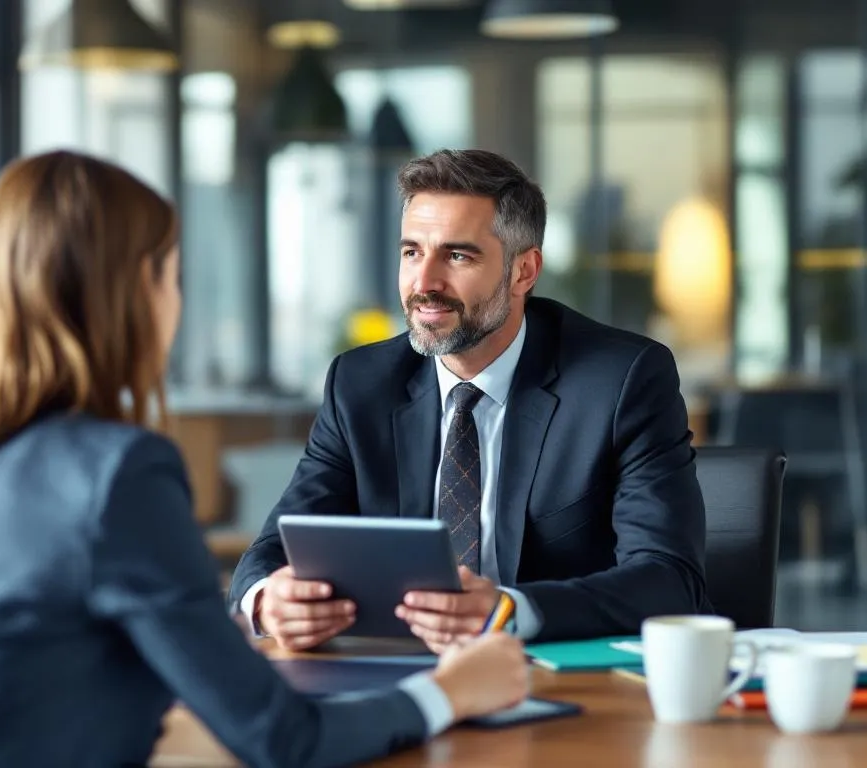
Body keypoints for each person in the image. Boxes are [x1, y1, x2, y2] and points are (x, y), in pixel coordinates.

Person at [0, 150, 530, 768]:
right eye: (170, 275)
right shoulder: (117, 475)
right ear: (131, 294)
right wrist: (449, 692)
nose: (176, 300)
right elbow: (282, 739)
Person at [228, 149, 710, 651]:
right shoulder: (360, 385)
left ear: (523, 271)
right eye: (412, 252)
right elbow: (270, 553)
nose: (424, 283)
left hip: (558, 678)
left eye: (457, 256)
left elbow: (670, 581)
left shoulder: (621, 381)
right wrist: (268, 601)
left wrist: (507, 612)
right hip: (398, 672)